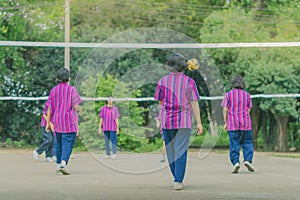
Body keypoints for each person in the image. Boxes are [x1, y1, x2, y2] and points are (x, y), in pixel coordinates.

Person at [154, 53, 203, 190]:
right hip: (184, 120)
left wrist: (160, 116)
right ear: (183, 66)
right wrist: (199, 122)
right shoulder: (189, 82)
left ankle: (176, 176)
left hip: (167, 120)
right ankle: (178, 180)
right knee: (180, 150)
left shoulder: (162, 81)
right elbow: (194, 102)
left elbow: (160, 101)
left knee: (170, 149)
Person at [46, 68, 82, 175]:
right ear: (68, 78)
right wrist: (80, 109)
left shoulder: (53, 91)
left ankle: (58, 165)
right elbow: (76, 106)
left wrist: (48, 123)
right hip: (69, 122)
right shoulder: (72, 90)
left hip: (57, 121)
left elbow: (49, 108)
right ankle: (63, 163)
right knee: (68, 143)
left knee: (59, 143)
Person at [222, 75, 255, 174]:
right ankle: (247, 160)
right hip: (246, 123)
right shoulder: (247, 95)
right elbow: (249, 109)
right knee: (247, 142)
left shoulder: (228, 95)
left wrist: (226, 122)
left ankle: (236, 162)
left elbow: (225, 109)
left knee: (234, 143)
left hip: (232, 123)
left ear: (232, 84)